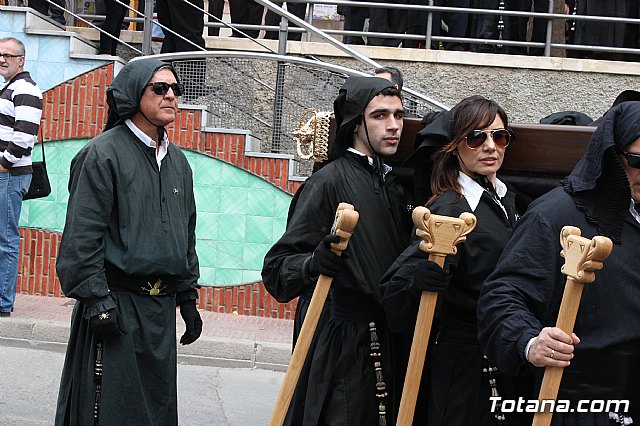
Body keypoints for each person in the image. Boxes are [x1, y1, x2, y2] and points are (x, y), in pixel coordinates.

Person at [54, 58, 202, 425]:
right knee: (111, 412)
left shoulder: (178, 161)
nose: (171, 96)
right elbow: (81, 237)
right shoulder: (101, 154)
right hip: (116, 308)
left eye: (175, 89)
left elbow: (186, 234)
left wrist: (187, 298)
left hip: (160, 314)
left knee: (156, 411)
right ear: (134, 94)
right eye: (160, 88)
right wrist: (96, 300)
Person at [262, 76, 414, 424]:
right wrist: (313, 263)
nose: (393, 126)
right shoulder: (327, 182)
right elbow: (277, 270)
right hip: (341, 347)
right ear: (356, 123)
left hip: (387, 341)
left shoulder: (394, 185)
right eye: (379, 116)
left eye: (398, 115)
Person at [477, 101, 640, 423]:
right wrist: (530, 341)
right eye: (638, 160)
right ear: (612, 156)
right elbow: (503, 295)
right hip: (581, 406)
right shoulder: (554, 215)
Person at [382, 95, 531, 425]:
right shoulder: (448, 208)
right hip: (465, 360)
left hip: (505, 348)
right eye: (476, 138)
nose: (490, 146)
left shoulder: (508, 199)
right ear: (455, 146)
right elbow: (394, 292)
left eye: (500, 136)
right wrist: (417, 279)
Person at [0, 37, 42, 318]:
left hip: (10, 175)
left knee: (6, 239)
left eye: (7, 55)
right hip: (7, 174)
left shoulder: (24, 89)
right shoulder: (11, 87)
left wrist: (3, 165)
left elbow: (24, 137)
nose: (2, 59)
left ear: (21, 60)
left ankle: (3, 302)